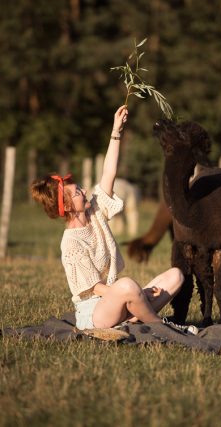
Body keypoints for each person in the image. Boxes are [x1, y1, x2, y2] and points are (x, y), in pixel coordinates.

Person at [30, 105, 197, 335]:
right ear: (67, 206)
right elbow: (96, 288)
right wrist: (137, 292)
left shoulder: (96, 212)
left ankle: (136, 314)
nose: (84, 191)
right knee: (128, 285)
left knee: (175, 275)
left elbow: (109, 172)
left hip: (118, 299)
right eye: (78, 192)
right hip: (94, 312)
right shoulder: (70, 244)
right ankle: (162, 327)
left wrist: (116, 131)